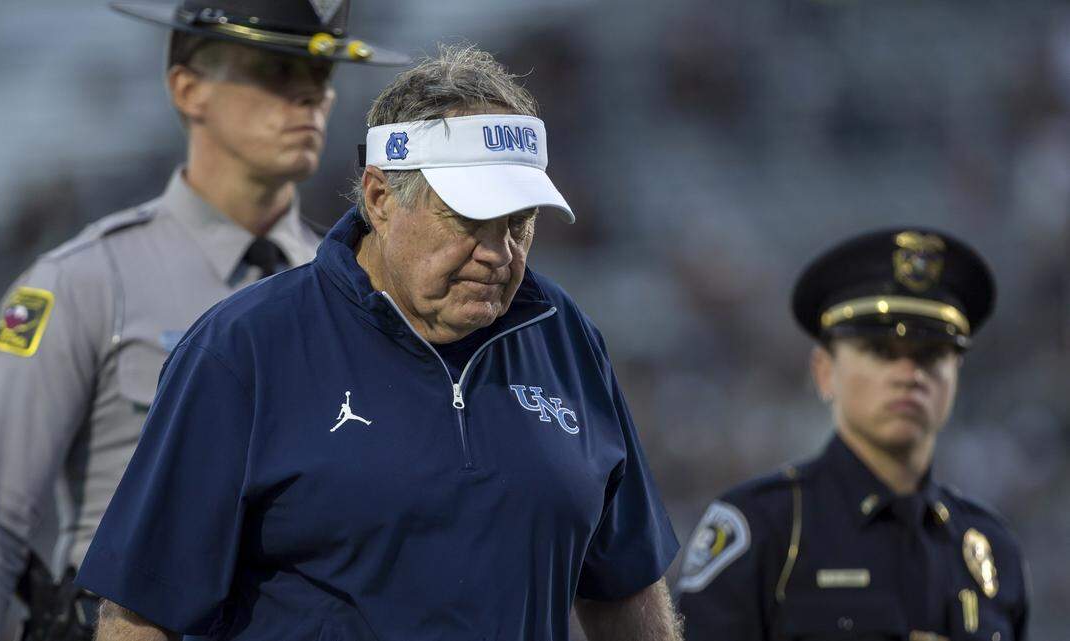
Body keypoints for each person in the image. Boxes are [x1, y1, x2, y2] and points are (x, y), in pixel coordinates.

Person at [75, 44, 684, 641]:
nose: (498, 254)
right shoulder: (243, 350)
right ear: (380, 198)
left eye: (519, 224)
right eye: (471, 220)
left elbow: (625, 584)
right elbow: (140, 614)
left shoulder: (565, 335)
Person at [0, 2, 407, 640]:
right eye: (274, 70)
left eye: (321, 74)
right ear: (188, 89)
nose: (310, 96)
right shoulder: (84, 282)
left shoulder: (358, 289)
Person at [675, 229, 1029, 641]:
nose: (910, 375)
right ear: (824, 371)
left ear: (956, 374)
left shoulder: (992, 548)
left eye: (932, 354)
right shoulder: (767, 528)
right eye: (880, 352)